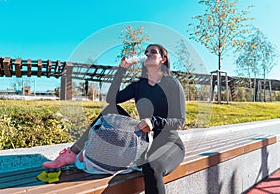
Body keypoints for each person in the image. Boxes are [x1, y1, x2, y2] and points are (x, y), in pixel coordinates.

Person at [42, 44, 186, 194]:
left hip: (168, 142)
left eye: (153, 52)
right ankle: (72, 153)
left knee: (151, 167)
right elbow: (112, 99)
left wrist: (153, 121)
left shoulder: (171, 83)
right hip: (143, 142)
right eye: (146, 52)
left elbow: (180, 121)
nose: (147, 54)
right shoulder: (139, 86)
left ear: (163, 59)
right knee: (110, 110)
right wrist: (122, 69)